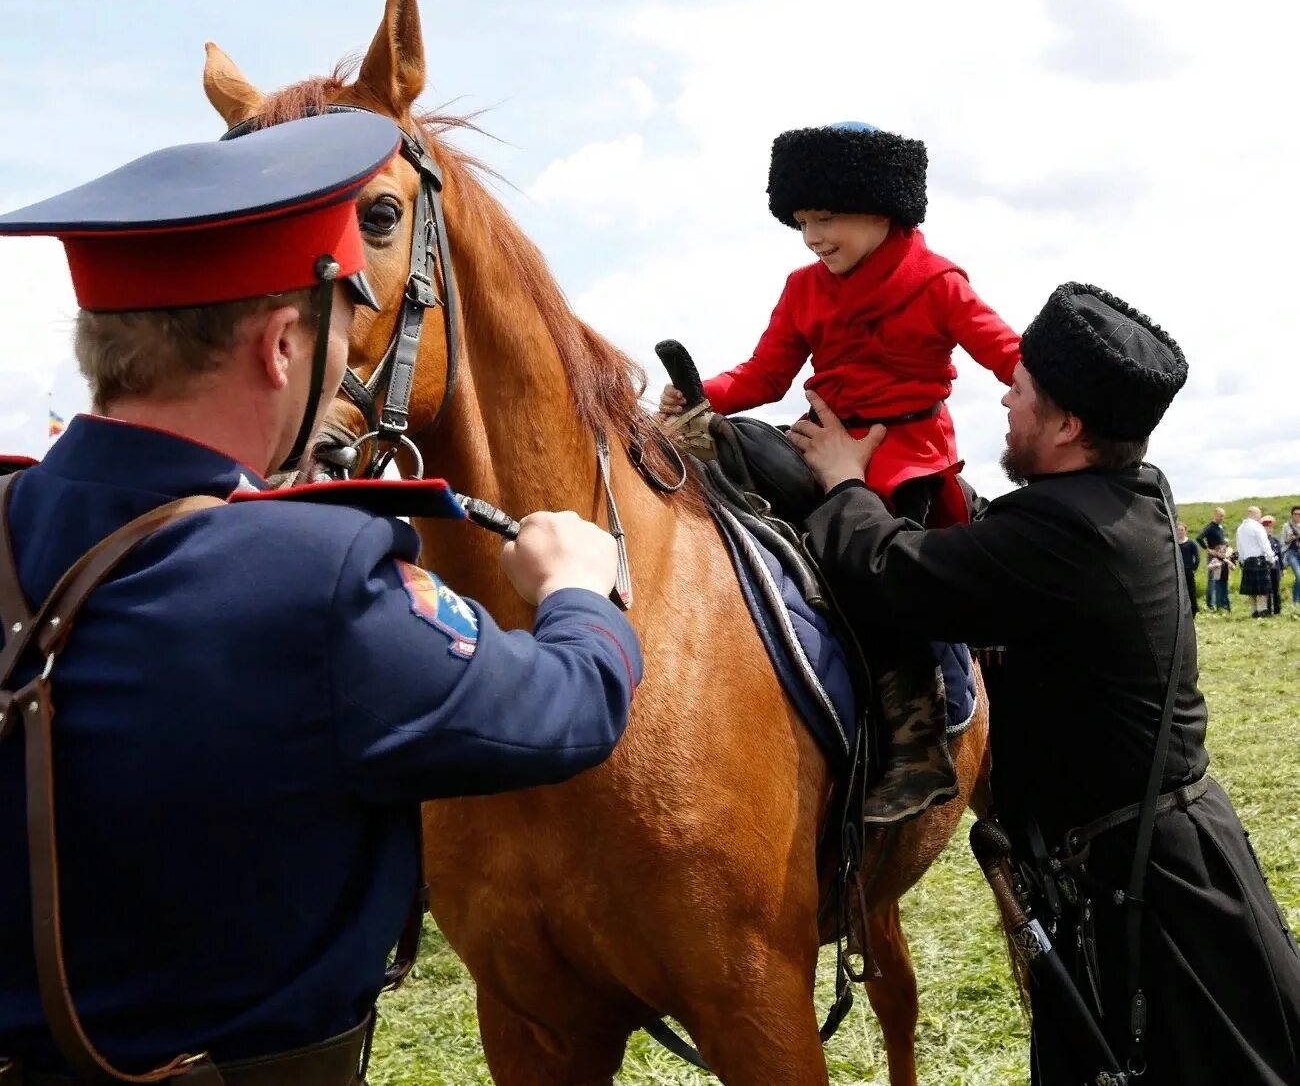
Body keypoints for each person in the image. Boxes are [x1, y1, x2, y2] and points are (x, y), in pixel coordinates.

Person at [0, 114, 643, 1084]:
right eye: (344, 325)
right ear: (280, 346)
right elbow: (572, 705)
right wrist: (578, 590)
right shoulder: (320, 579)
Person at [787, 281, 1300, 1085]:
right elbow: (1000, 541)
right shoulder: (1122, 498)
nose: (1003, 396)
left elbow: (894, 574)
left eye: (1020, 389)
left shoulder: (1063, 536)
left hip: (1148, 899)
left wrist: (846, 481)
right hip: (1161, 865)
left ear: (1066, 426)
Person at [659, 120, 1020, 529]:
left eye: (825, 218)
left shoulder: (940, 285)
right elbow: (766, 374)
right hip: (819, 441)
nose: (811, 237)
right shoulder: (801, 287)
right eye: (801, 223)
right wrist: (700, 395)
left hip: (906, 456)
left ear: (882, 212)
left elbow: (1011, 358)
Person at [1236, 506, 1277, 618]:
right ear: (1255, 514)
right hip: (1259, 559)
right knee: (1262, 590)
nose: (1260, 517)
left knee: (1252, 591)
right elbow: (1265, 544)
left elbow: (1239, 547)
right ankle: (1262, 611)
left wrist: (1242, 560)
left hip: (1247, 561)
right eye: (1259, 514)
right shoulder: (1257, 527)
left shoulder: (1240, 528)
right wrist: (1271, 558)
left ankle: (1254, 612)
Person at [1195, 507, 1230, 611]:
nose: (1222, 518)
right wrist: (1208, 549)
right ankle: (1210, 603)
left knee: (1222, 578)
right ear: (1215, 515)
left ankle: (1222, 602)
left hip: (1222, 555)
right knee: (1212, 580)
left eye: (1223, 516)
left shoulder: (1220, 527)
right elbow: (1199, 538)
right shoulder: (1210, 527)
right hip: (1214, 556)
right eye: (1220, 516)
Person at [1261, 515, 1284, 615]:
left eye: (1271, 527)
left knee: (1276, 589)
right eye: (1267, 528)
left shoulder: (1275, 541)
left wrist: (1282, 569)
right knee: (1267, 590)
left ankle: (1277, 610)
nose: (1270, 530)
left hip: (1276, 568)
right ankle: (1268, 610)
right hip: (1266, 568)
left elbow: (1279, 555)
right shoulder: (1262, 541)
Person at [1176, 520, 1200, 615]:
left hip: (1188, 570)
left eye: (1182, 530)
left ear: (1185, 531)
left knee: (1191, 591)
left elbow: (1197, 558)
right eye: (1178, 530)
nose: (1180, 532)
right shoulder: (1175, 544)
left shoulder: (1191, 543)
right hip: (1178, 571)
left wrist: (1194, 568)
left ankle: (1194, 610)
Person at [1281, 505, 1300, 609]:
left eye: (1299, 514)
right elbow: (1282, 541)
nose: (1297, 516)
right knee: (1299, 575)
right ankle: (1296, 601)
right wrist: (1289, 539)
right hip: (1291, 552)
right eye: (1295, 514)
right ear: (1292, 515)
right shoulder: (1286, 526)